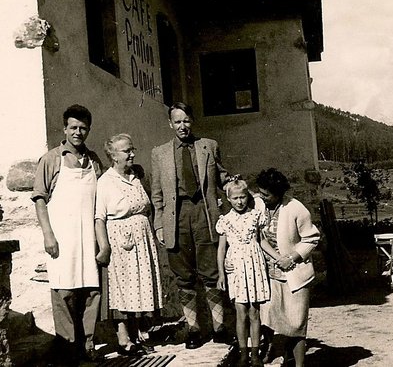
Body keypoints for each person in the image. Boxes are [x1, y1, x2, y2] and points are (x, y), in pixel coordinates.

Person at [151, 102, 233, 349]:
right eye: (177, 122)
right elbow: (157, 195)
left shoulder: (208, 146)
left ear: (192, 121)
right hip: (175, 218)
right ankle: (194, 330)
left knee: (211, 273)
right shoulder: (159, 153)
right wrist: (159, 226)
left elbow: (221, 177)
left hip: (205, 214)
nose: (182, 126)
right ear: (170, 124)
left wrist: (235, 189)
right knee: (184, 276)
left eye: (186, 121)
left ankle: (219, 328)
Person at [32, 104, 107, 364]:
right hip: (62, 237)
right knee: (63, 292)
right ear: (65, 129)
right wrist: (48, 235)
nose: (78, 132)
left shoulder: (94, 160)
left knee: (91, 292)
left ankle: (88, 343)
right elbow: (40, 199)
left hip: (89, 236)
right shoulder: (51, 159)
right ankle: (67, 347)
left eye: (83, 128)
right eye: (73, 127)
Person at [95, 133, 163, 356]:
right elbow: (100, 219)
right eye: (127, 151)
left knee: (138, 288)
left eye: (132, 149)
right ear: (113, 156)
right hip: (120, 242)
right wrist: (104, 247)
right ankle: (124, 340)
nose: (132, 153)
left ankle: (137, 336)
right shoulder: (105, 182)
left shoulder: (136, 176)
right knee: (122, 291)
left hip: (141, 239)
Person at [256, 168, 320, 367]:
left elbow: (312, 238)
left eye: (266, 194)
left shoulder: (295, 208)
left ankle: (299, 363)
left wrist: (292, 257)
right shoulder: (258, 205)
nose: (262, 197)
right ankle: (269, 350)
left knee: (296, 322)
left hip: (294, 273)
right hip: (267, 272)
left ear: (278, 193)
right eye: (260, 192)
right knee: (267, 317)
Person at [216, 179, 270, 367]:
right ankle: (243, 353)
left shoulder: (255, 216)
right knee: (241, 312)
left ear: (248, 196)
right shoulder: (225, 220)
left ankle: (255, 353)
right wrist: (222, 273)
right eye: (235, 198)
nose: (240, 201)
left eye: (243, 197)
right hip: (236, 268)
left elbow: (261, 241)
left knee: (254, 311)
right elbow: (221, 249)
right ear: (229, 199)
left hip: (254, 265)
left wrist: (278, 257)